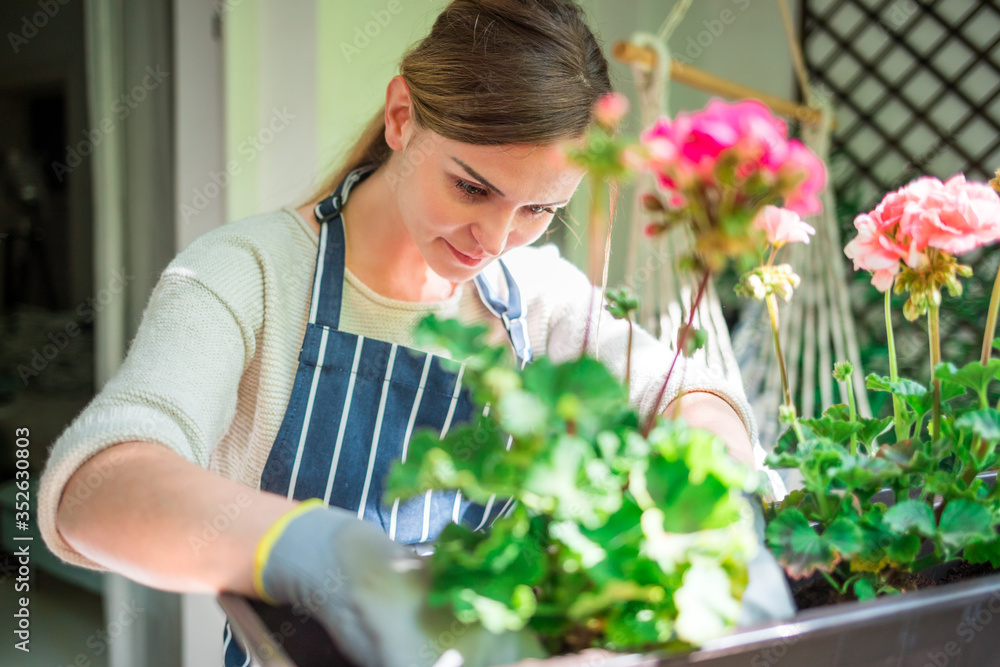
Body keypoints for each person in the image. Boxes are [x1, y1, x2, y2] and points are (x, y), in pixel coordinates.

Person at [38, 1, 791, 666]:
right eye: (472, 186)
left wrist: (719, 500)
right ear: (402, 116)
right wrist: (323, 549)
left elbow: (695, 391)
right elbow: (95, 486)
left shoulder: (534, 296)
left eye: (538, 210)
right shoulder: (248, 274)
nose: (496, 238)